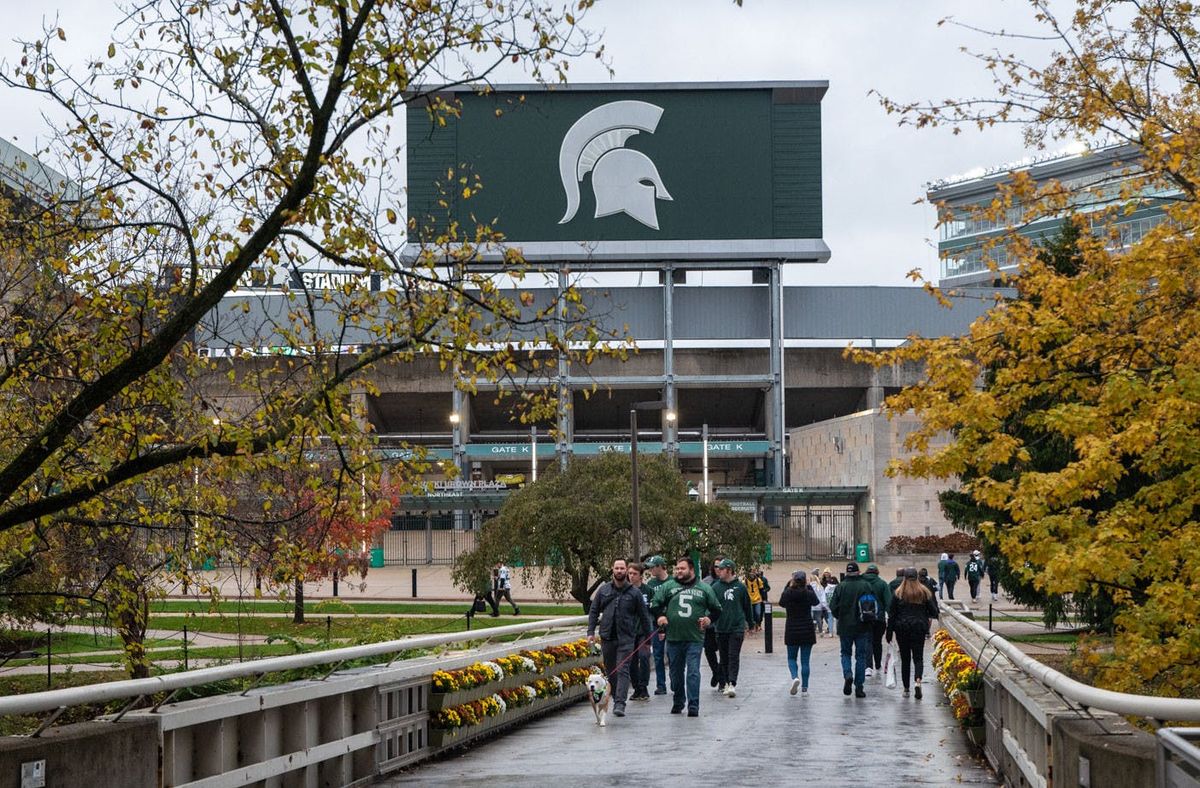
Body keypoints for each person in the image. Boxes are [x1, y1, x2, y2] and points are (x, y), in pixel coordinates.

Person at [650, 556, 723, 717]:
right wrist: (660, 616)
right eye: (677, 569)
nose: (678, 571)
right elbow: (654, 604)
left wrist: (708, 619)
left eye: (682, 568)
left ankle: (693, 705)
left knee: (693, 671)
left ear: (691, 570)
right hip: (674, 638)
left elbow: (717, 609)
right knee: (675, 674)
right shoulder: (668, 586)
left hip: (694, 638)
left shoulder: (704, 588)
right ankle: (678, 700)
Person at [587, 558, 654, 719]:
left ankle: (620, 703)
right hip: (607, 637)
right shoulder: (603, 591)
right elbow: (594, 611)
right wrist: (590, 631)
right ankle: (617, 697)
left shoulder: (634, 593)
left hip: (626, 638)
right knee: (611, 671)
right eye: (616, 568)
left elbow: (644, 616)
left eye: (622, 568)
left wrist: (647, 638)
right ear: (612, 570)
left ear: (626, 571)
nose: (619, 571)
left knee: (623, 669)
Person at [886, 568, 940, 698]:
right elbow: (934, 611)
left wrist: (889, 632)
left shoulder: (898, 593)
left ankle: (906, 689)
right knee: (918, 657)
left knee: (905, 659)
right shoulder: (923, 592)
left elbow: (891, 614)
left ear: (904, 578)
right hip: (919, 627)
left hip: (902, 628)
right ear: (917, 577)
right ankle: (918, 681)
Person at [828, 561, 874, 698]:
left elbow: (833, 606)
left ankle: (848, 674)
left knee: (845, 653)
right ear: (859, 572)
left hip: (845, 626)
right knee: (861, 656)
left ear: (847, 573)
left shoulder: (841, 587)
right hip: (862, 625)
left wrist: (840, 616)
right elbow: (872, 603)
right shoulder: (865, 585)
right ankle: (859, 686)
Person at [710, 558, 753, 697]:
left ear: (729, 570)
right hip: (721, 627)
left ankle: (732, 683)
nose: (719, 571)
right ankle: (726, 682)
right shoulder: (715, 587)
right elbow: (710, 606)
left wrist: (750, 624)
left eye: (721, 569)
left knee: (733, 655)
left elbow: (747, 606)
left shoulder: (740, 587)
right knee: (724, 657)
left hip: (736, 627)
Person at [779, 570, 820, 694]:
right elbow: (816, 602)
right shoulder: (808, 593)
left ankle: (795, 677)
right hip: (807, 628)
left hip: (792, 629)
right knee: (805, 660)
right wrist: (808, 587)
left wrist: (788, 586)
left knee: (791, 658)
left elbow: (781, 603)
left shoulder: (788, 593)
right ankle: (805, 687)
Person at [643, 555, 671, 695]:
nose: (651, 570)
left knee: (672, 653)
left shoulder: (673, 582)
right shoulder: (651, 584)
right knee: (658, 654)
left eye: (653, 567)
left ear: (660, 566)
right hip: (656, 624)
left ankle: (675, 679)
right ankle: (661, 684)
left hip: (672, 624)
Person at [626, 562, 652, 701]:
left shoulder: (647, 590)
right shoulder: (625, 591)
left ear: (640, 576)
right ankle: (636, 687)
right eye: (629, 573)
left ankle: (644, 686)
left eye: (634, 574)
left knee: (644, 656)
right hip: (629, 631)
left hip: (643, 630)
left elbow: (655, 608)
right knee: (631, 660)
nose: (631, 576)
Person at [863, 564, 893, 677]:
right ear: (877, 572)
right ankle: (877, 664)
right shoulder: (882, 584)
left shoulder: (862, 582)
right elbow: (888, 602)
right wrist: (891, 617)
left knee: (867, 641)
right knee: (877, 642)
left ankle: (868, 666)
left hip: (864, 617)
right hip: (879, 618)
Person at [702, 557, 722, 688]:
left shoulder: (729, 582)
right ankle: (716, 672)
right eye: (716, 566)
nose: (718, 569)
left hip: (724, 624)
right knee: (709, 650)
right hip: (710, 622)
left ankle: (722, 678)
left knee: (725, 652)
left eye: (721, 566)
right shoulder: (706, 582)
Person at [809, 568, 829, 637]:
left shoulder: (809, 586)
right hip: (818, 605)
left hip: (811, 605)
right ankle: (820, 631)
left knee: (812, 618)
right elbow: (823, 596)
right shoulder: (820, 587)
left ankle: (812, 630)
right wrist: (824, 604)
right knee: (818, 619)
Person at [819, 568, 838, 636]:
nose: (826, 574)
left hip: (828, 603)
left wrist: (825, 604)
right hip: (831, 604)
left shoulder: (827, 588)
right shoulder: (823, 581)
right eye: (825, 572)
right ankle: (831, 630)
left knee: (830, 618)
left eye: (827, 572)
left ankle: (830, 631)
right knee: (831, 617)